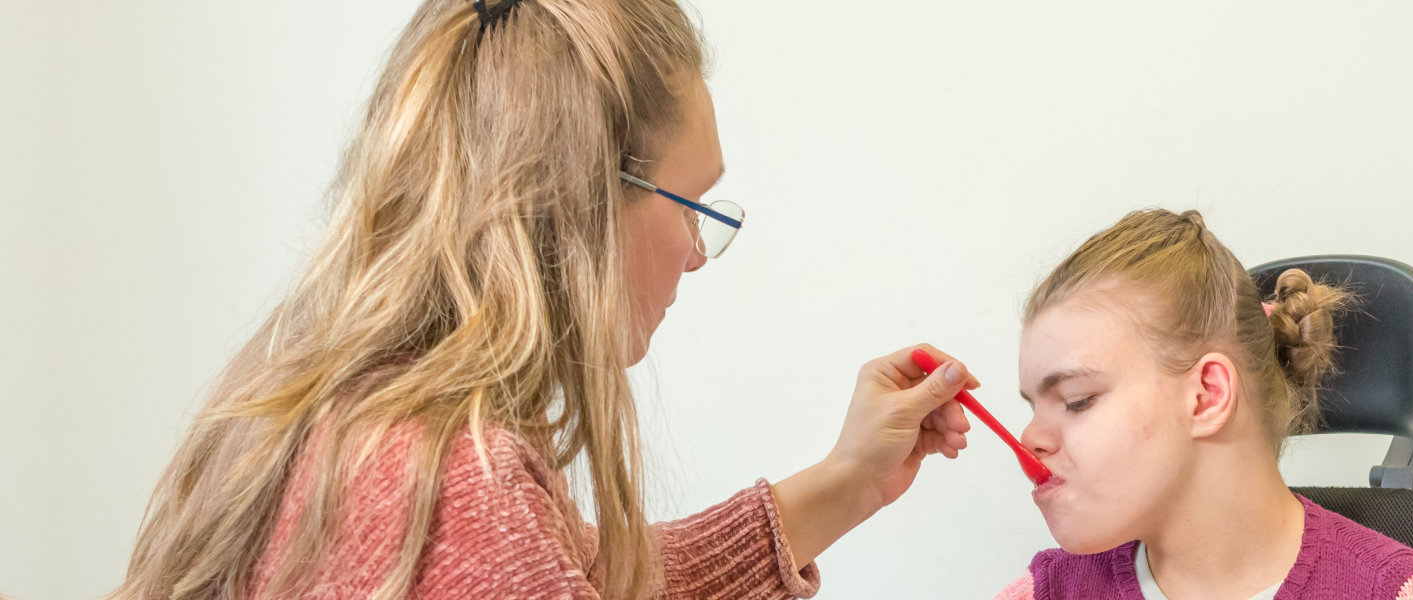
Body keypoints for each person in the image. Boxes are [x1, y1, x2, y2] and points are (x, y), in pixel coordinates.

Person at [114, 1, 978, 598]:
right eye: (694, 209)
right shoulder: (457, 493)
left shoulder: (342, 424)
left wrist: (850, 480)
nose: (696, 256)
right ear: (584, 197)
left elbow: (589, 577)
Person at [999, 209, 1413, 600]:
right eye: (1033, 407)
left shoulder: (1394, 592)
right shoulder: (1047, 591)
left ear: (1208, 395)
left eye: (1077, 401)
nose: (1029, 440)